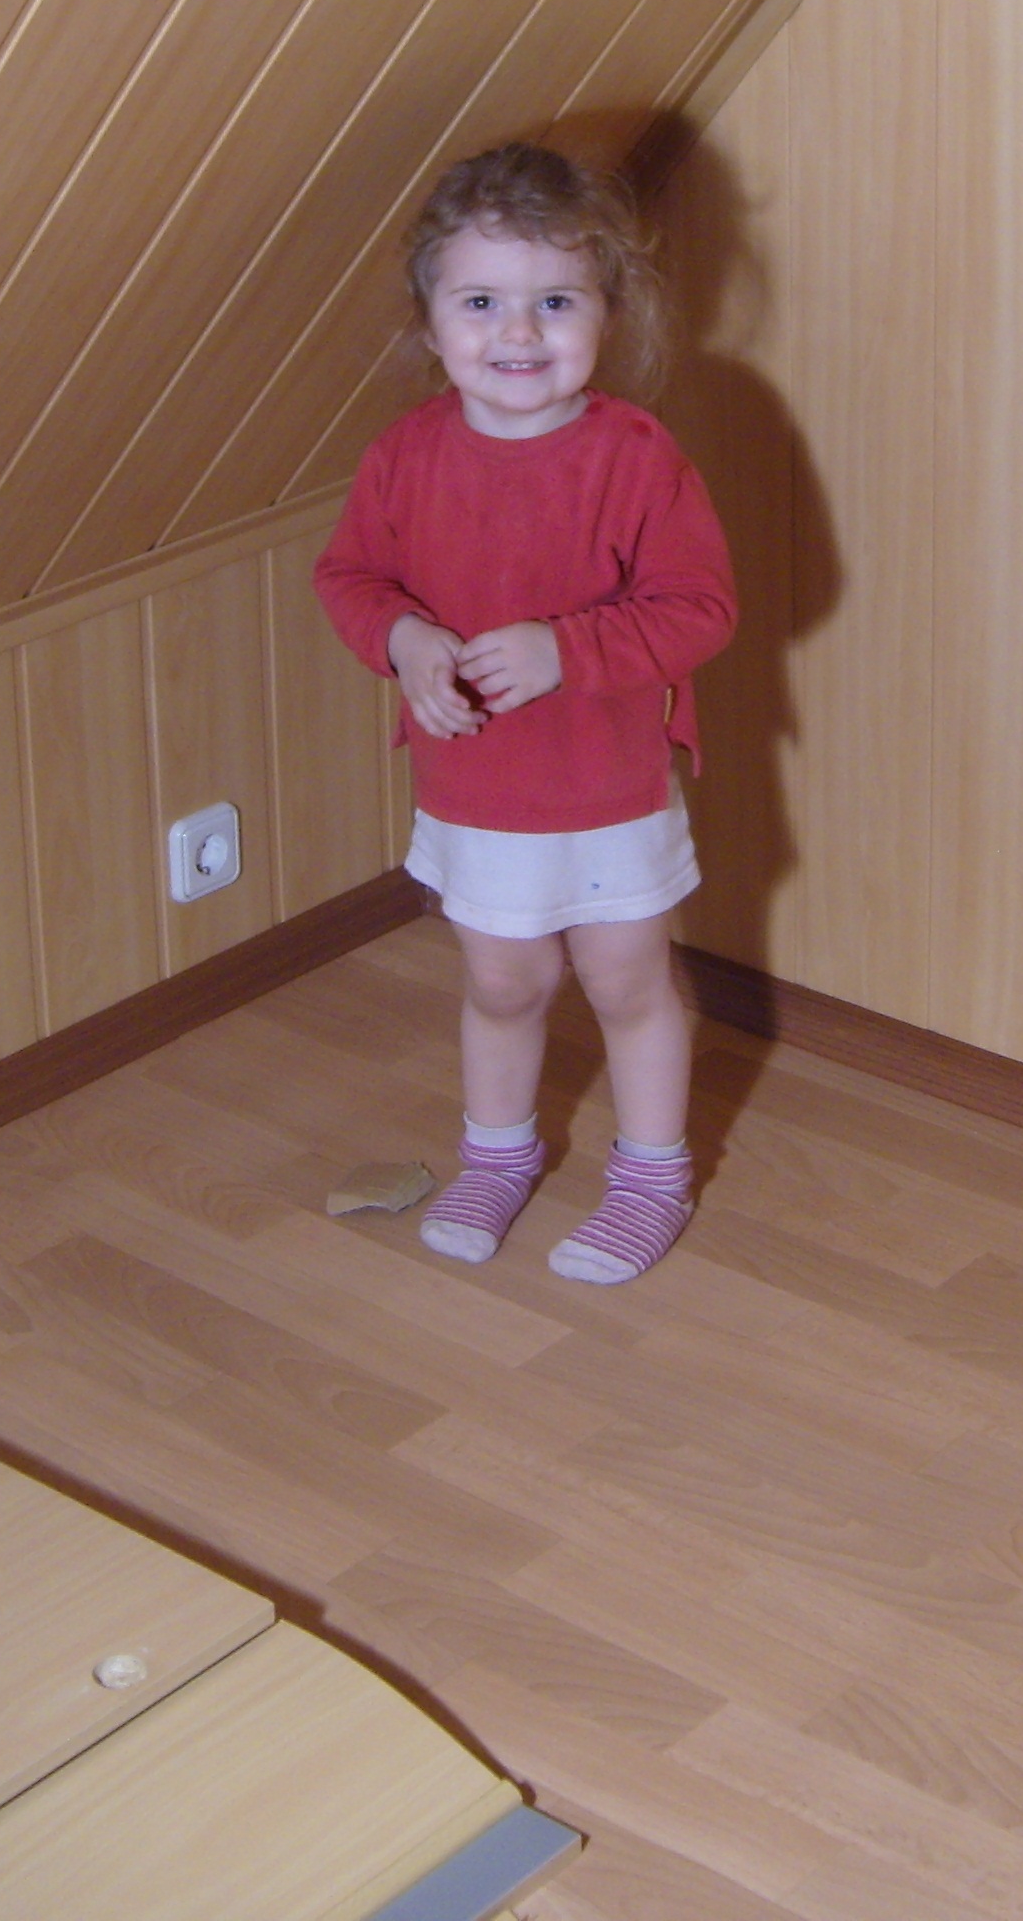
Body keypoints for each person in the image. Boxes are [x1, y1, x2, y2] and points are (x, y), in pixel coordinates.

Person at [314, 142, 735, 1283]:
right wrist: (403, 641)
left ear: (608, 313)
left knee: (626, 981)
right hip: (474, 788)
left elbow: (700, 608)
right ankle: (497, 1160)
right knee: (504, 984)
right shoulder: (402, 458)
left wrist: (568, 649)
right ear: (430, 319)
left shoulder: (636, 459)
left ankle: (651, 1179)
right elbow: (349, 580)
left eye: (555, 302)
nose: (519, 333)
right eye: (482, 303)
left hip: (609, 786)